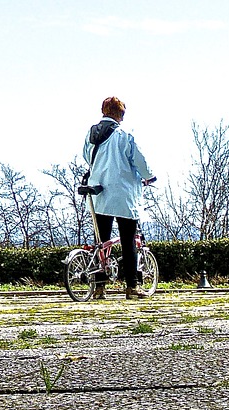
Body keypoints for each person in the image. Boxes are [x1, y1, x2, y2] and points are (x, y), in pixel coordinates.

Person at [82, 96, 154, 299]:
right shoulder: (125, 135)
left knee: (102, 241)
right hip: (123, 194)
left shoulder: (91, 133)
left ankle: (99, 288)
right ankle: (132, 287)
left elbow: (86, 156)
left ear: (103, 111)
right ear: (121, 114)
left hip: (99, 192)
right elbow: (139, 159)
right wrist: (149, 177)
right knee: (128, 239)